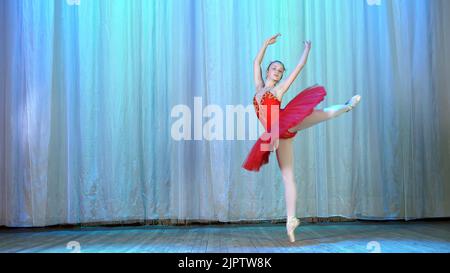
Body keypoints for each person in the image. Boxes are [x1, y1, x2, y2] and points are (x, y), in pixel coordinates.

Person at [242, 33, 361, 242]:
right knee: (288, 176)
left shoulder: (278, 90)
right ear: (268, 70)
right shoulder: (259, 87)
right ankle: (291, 220)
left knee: (320, 114)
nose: (278, 72)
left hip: (287, 121)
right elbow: (256, 62)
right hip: (277, 135)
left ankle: (347, 106)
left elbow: (298, 69)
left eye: (280, 70)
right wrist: (265, 44)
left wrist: (306, 50)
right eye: (275, 68)